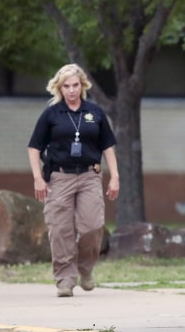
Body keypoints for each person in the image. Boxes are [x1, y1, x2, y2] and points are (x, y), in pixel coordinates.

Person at [28, 64, 119, 297]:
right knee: (60, 229)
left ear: (82, 86)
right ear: (60, 88)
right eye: (66, 86)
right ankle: (65, 279)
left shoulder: (95, 112)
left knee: (92, 225)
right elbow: (34, 147)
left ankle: (85, 270)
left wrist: (115, 176)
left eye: (75, 85)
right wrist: (38, 178)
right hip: (60, 177)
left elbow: (107, 146)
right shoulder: (51, 114)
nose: (71, 90)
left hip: (90, 175)